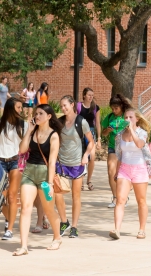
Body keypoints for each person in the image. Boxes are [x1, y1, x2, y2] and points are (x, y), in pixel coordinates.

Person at [14, 103, 64, 255]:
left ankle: (57, 238)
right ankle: (24, 246)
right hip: (29, 172)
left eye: (41, 113)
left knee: (49, 210)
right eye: (36, 113)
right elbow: (22, 150)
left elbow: (52, 161)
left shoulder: (54, 135)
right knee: (25, 208)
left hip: (44, 173)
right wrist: (28, 132)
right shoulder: (33, 131)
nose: (37, 116)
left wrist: (49, 183)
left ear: (49, 116)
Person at [53, 95, 94, 238]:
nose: (63, 108)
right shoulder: (60, 122)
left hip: (77, 163)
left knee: (76, 196)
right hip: (62, 163)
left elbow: (91, 141)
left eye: (65, 105)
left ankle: (74, 227)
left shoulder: (81, 121)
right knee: (57, 194)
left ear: (72, 105)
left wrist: (86, 155)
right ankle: (64, 221)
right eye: (61, 106)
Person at [112, 108, 151, 240]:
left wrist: (132, 130)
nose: (128, 120)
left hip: (139, 169)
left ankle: (142, 229)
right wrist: (116, 171)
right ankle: (116, 229)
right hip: (125, 169)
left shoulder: (142, 133)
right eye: (126, 117)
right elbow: (119, 154)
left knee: (141, 200)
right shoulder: (119, 135)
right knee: (120, 200)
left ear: (136, 119)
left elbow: (140, 144)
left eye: (131, 117)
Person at [0, 97, 27, 241]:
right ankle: (9, 218)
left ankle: (10, 229)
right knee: (0, 197)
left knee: (12, 196)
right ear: (11, 108)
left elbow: (26, 146)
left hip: (15, 162)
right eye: (18, 107)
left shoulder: (23, 125)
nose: (21, 110)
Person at [102, 96, 129, 208]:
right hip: (113, 147)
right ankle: (115, 197)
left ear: (121, 106)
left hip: (126, 147)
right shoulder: (109, 117)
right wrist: (107, 130)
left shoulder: (127, 116)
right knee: (111, 170)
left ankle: (124, 196)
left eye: (116, 108)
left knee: (125, 173)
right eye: (112, 108)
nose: (114, 111)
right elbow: (103, 133)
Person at [77, 87, 101, 191]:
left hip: (90, 133)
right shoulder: (78, 106)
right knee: (81, 157)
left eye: (92, 95)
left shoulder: (95, 107)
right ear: (84, 95)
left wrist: (99, 139)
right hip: (80, 133)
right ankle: (80, 180)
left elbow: (98, 124)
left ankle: (89, 180)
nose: (91, 97)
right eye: (89, 95)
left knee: (92, 157)